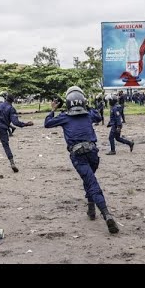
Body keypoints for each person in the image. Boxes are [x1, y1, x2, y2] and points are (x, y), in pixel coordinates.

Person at [44, 86, 119, 234]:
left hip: (78, 155)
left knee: (91, 183)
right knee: (89, 179)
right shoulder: (88, 115)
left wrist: (52, 109)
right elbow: (98, 116)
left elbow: (47, 123)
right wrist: (88, 105)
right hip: (93, 154)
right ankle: (91, 208)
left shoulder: (65, 116)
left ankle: (106, 214)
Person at [0, 93, 33, 173]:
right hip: (3, 129)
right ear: (12, 101)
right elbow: (15, 122)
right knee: (6, 146)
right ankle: (12, 163)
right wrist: (26, 124)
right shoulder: (12, 109)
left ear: (6, 98)